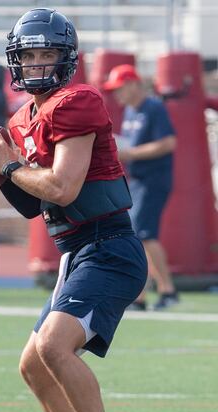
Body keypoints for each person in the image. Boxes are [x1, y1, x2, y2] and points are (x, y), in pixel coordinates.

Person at [0, 8, 146, 412]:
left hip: (109, 246)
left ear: (67, 60)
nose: (39, 64)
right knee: (34, 365)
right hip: (76, 252)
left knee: (53, 348)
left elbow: (64, 189)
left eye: (48, 54)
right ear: (15, 61)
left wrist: (8, 163)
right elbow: (33, 202)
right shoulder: (21, 119)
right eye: (30, 55)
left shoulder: (77, 101)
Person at [103, 64, 178, 311]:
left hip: (153, 180)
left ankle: (165, 290)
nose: (118, 94)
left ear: (135, 84)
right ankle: (144, 294)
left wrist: (130, 153)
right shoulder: (131, 112)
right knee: (139, 236)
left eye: (121, 88)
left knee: (144, 235)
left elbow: (168, 142)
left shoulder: (153, 108)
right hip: (138, 181)